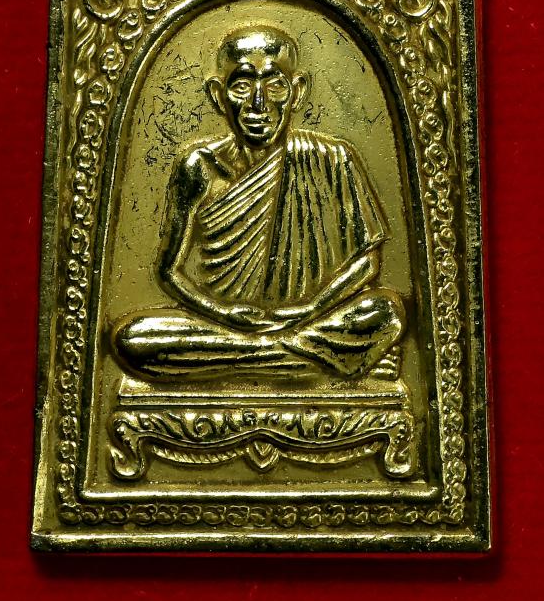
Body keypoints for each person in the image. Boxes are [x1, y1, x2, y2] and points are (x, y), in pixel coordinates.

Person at [113, 26, 405, 380]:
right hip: (223, 324)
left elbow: (367, 263)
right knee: (134, 338)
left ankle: (256, 361)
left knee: (386, 312)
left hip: (311, 318)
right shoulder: (200, 166)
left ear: (297, 92)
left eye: (275, 85)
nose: (258, 103)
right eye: (242, 86)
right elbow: (168, 272)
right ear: (218, 95)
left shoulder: (333, 158)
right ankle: (314, 359)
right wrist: (223, 313)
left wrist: (310, 309)